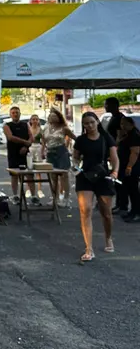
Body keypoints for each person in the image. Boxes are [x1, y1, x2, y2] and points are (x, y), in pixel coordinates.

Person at [73, 111, 119, 262]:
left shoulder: (106, 138)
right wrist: (76, 167)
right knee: (85, 210)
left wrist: (115, 172)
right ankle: (89, 248)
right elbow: (75, 157)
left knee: (106, 213)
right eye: (86, 123)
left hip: (103, 176)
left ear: (97, 122)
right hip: (85, 176)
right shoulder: (80, 140)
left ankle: (108, 237)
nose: (89, 126)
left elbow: (114, 158)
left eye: (92, 122)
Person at [3, 107, 38, 205]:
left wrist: (26, 146)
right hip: (13, 153)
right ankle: (15, 196)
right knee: (14, 175)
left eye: (17, 113)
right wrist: (25, 142)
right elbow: (10, 137)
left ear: (20, 114)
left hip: (25, 154)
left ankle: (33, 196)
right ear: (10, 115)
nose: (15, 114)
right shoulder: (7, 125)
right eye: (13, 113)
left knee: (29, 174)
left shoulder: (25, 124)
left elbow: (31, 137)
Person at [41, 107, 75, 208]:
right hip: (50, 153)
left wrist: (75, 151)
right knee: (53, 177)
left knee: (64, 175)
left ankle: (66, 198)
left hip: (61, 152)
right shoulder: (46, 127)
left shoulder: (64, 128)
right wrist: (42, 151)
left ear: (59, 118)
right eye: (50, 116)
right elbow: (43, 140)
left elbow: (75, 138)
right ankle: (54, 198)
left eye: (54, 116)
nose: (52, 117)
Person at [116, 116, 140, 221]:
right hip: (125, 165)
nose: (122, 126)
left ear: (131, 124)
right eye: (121, 124)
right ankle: (133, 211)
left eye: (124, 124)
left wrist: (129, 166)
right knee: (129, 189)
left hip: (132, 167)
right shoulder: (127, 135)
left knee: (133, 190)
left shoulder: (134, 135)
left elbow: (135, 152)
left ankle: (137, 213)